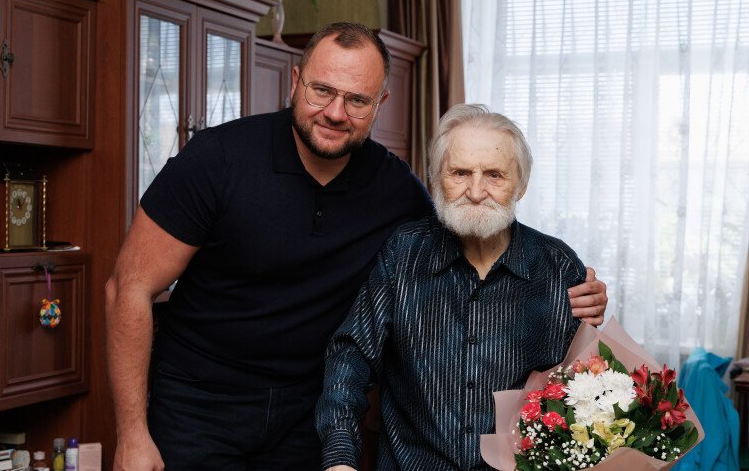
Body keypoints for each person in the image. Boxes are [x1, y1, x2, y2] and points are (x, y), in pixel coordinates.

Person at [105, 23, 607, 470]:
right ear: (295, 80)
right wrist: (131, 434)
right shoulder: (216, 159)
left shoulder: (397, 191)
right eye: (321, 90)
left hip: (306, 413)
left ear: (380, 103)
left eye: (357, 100)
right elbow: (127, 289)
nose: (335, 112)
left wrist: (575, 287)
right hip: (197, 402)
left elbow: (471, 226)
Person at [317, 104, 592, 471]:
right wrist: (340, 458)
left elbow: (586, 390)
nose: (475, 192)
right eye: (460, 173)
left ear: (521, 185)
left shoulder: (558, 267)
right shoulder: (403, 253)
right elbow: (350, 360)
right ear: (436, 178)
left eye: (494, 175)